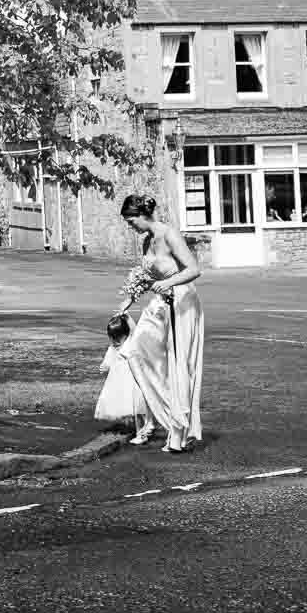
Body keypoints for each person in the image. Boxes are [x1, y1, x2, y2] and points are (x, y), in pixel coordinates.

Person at [117, 192, 205, 453]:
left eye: (132, 221)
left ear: (143, 215)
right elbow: (145, 276)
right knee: (136, 349)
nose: (130, 227)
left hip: (182, 301)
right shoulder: (147, 242)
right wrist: (128, 302)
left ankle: (178, 431)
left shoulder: (169, 235)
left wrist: (168, 282)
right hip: (160, 302)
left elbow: (193, 269)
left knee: (179, 363)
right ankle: (165, 413)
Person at [93, 312, 153, 443]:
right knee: (127, 407)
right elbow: (109, 360)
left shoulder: (130, 343)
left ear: (126, 335)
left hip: (133, 381)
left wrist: (126, 316)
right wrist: (104, 366)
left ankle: (142, 433)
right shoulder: (113, 348)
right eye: (112, 338)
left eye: (117, 338)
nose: (114, 341)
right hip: (119, 382)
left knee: (138, 408)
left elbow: (136, 332)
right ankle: (136, 429)